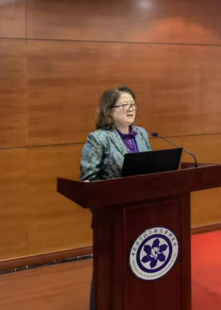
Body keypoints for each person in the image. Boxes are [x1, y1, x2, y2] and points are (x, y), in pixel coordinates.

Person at [80, 86, 152, 310]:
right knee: (108, 268)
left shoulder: (142, 134)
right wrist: (105, 210)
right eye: (124, 105)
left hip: (142, 214)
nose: (131, 109)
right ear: (109, 110)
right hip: (111, 218)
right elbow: (88, 181)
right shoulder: (98, 139)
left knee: (139, 266)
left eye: (133, 104)